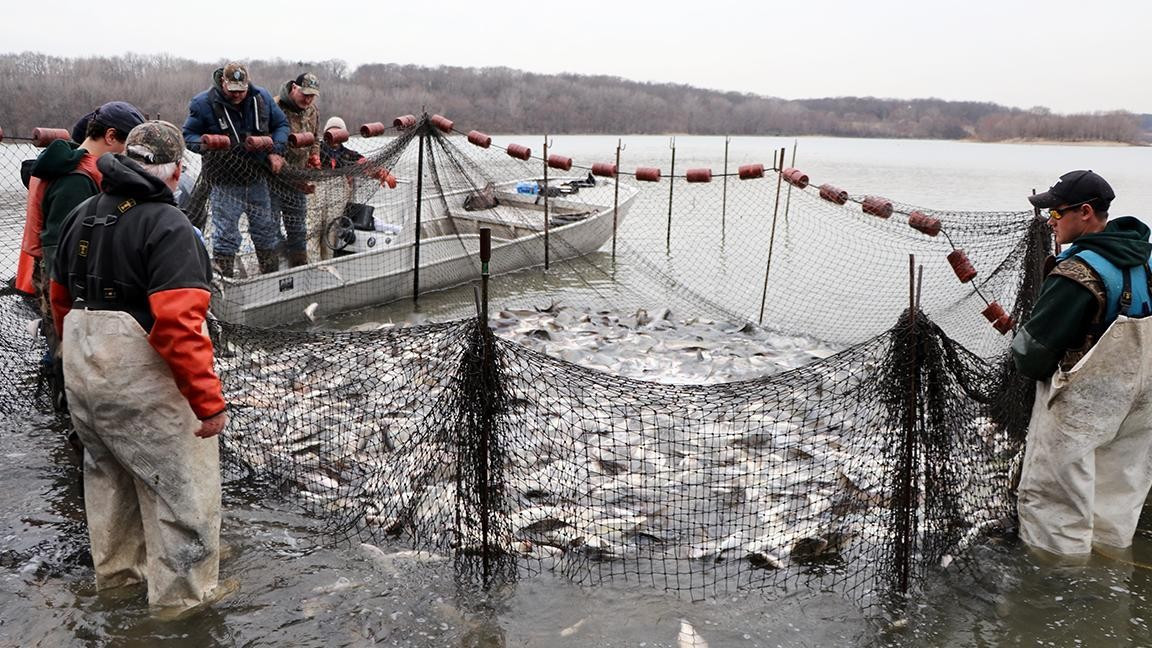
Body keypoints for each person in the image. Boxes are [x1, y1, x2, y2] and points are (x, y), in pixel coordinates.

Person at [48, 120, 233, 616]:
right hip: (138, 382)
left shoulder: (81, 215)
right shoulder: (168, 224)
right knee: (181, 497)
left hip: (84, 373)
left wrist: (78, 366)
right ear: (175, 173)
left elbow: (59, 304)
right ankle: (181, 609)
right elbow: (179, 326)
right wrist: (208, 404)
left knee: (109, 484)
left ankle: (117, 588)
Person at [1011, 169, 1152, 558]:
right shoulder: (1147, 261)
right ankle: (1110, 569)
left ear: (1085, 212)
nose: (1051, 223)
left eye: (1056, 214)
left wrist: (1020, 348)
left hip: (1085, 407)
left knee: (1055, 509)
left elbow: (1033, 354)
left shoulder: (1076, 273)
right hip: (1140, 405)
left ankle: (1057, 586)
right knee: (1117, 497)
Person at [14, 101, 145, 408]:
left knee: (61, 342)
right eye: (127, 146)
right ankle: (71, 411)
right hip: (62, 277)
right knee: (67, 345)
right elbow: (62, 245)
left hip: (56, 272)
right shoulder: (76, 177)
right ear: (110, 136)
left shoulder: (68, 162)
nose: (127, 156)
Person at [183, 61, 290, 277]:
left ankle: (270, 275)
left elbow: (282, 126)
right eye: (232, 90)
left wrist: (277, 150)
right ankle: (225, 280)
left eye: (241, 90)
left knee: (265, 231)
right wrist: (204, 143)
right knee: (226, 236)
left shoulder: (262, 97)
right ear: (223, 82)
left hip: (257, 178)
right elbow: (188, 136)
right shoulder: (202, 103)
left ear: (248, 83)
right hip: (224, 182)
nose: (237, 95)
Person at [272, 72, 322, 267]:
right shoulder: (274, 107)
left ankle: (299, 267)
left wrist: (314, 156)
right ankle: (274, 270)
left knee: (298, 228)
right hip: (273, 179)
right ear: (294, 88)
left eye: (312, 96)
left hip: (298, 181)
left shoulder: (313, 111)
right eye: (304, 94)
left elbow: (315, 138)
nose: (308, 99)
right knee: (270, 228)